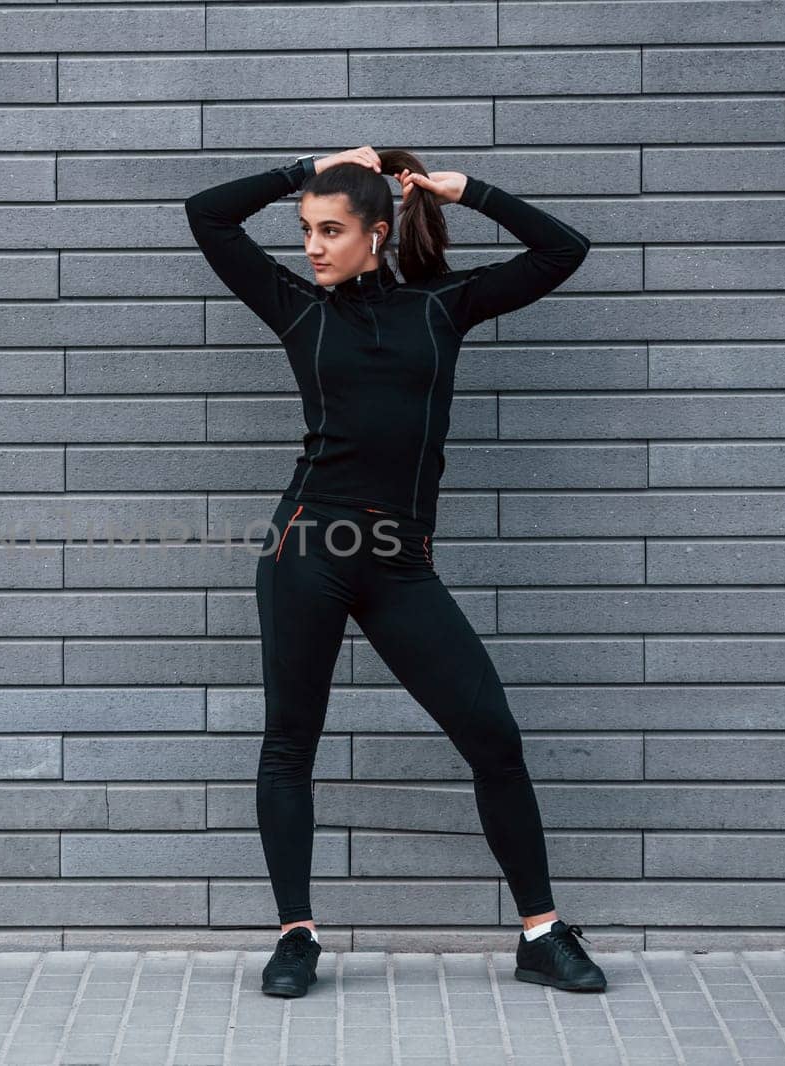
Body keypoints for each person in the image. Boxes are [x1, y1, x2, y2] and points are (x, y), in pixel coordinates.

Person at [184, 146, 607, 996]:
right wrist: (305, 166)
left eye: (330, 231)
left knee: (492, 735)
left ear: (377, 233)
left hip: (401, 561)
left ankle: (541, 932)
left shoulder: (442, 306)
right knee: (289, 743)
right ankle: (296, 937)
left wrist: (467, 190)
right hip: (310, 546)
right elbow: (207, 214)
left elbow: (564, 251)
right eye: (305, 230)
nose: (311, 247)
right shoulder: (297, 309)